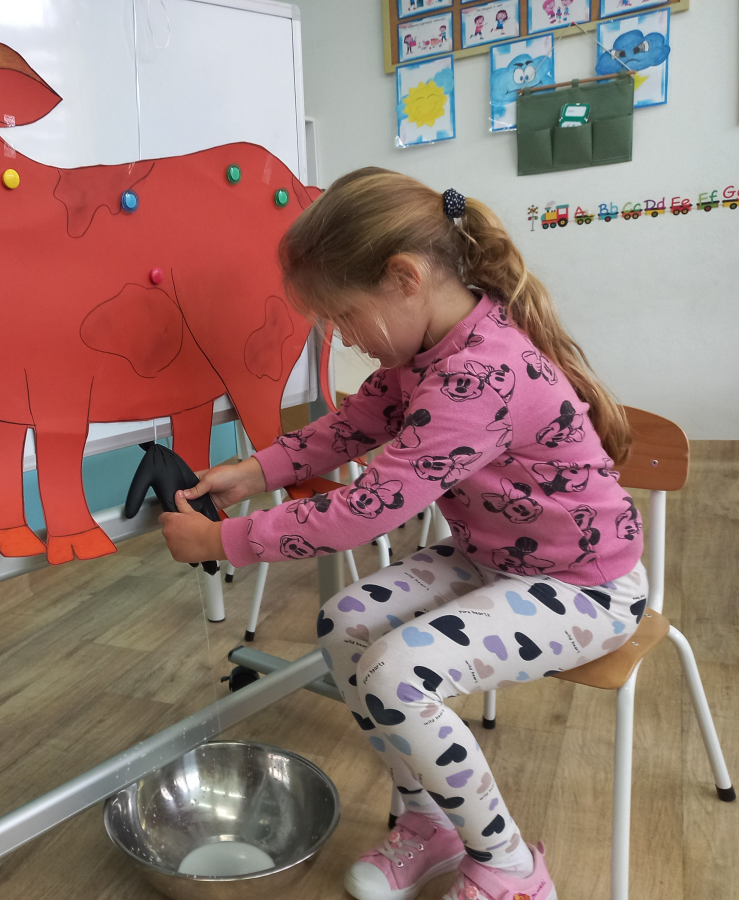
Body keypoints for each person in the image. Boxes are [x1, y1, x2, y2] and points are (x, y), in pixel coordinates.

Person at [158, 168, 646, 900]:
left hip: (586, 587)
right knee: (345, 622)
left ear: (404, 278)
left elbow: (367, 510)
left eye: (346, 317)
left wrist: (224, 543)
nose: (347, 339)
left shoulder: (480, 375)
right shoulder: (425, 353)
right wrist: (253, 472)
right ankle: (429, 822)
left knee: (397, 674)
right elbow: (349, 427)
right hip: (494, 560)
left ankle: (511, 868)